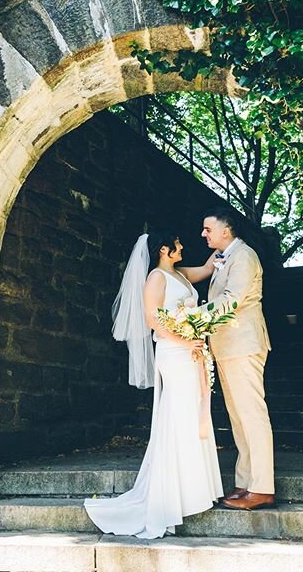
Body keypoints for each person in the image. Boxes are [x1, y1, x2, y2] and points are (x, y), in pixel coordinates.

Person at [84, 230, 223, 538]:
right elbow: (152, 319)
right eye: (178, 243)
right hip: (174, 352)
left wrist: (227, 245)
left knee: (192, 414)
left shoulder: (180, 273)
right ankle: (171, 497)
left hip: (190, 350)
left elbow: (207, 268)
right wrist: (186, 340)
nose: (183, 245)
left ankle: (194, 490)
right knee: (178, 415)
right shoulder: (156, 279)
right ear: (164, 249)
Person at [201, 207, 275, 510]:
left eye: (208, 229)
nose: (203, 234)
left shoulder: (244, 256)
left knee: (252, 415)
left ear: (226, 231)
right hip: (228, 346)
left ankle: (262, 488)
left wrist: (193, 318)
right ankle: (246, 483)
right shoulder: (226, 258)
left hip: (243, 344)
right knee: (238, 418)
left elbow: (232, 299)